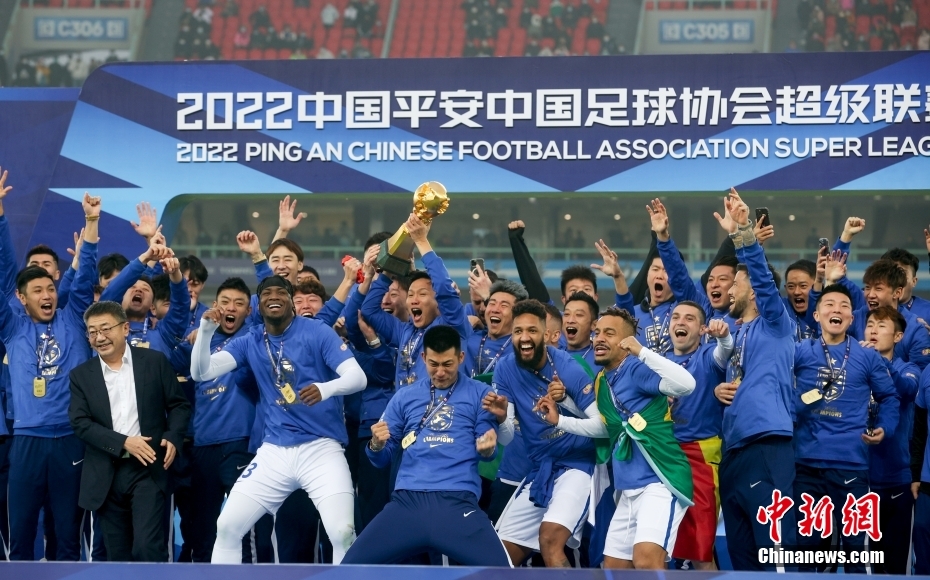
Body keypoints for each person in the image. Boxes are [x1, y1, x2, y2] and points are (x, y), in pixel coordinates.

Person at [191, 275, 367, 564]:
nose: (273, 296)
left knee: (342, 533)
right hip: (274, 451)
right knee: (227, 527)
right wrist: (206, 332)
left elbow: (357, 377)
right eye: (266, 293)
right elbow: (201, 373)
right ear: (258, 305)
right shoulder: (251, 340)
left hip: (322, 449)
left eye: (281, 292)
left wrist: (325, 389)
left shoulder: (317, 331)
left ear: (291, 303)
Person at [342, 326, 509, 566]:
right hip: (406, 501)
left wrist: (487, 448)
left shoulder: (481, 394)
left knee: (502, 571)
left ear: (461, 357)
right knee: (351, 566)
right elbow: (381, 458)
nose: (440, 372)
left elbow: (487, 446)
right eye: (433, 364)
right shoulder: (404, 396)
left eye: (448, 364)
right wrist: (376, 444)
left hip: (457, 499)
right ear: (423, 358)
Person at [550, 306, 696, 569]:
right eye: (597, 333)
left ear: (626, 342)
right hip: (627, 489)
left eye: (609, 333)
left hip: (660, 482)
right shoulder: (601, 380)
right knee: (615, 568)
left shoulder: (636, 368)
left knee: (647, 561)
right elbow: (606, 427)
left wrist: (642, 352)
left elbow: (686, 385)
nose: (599, 338)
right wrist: (562, 416)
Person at [0, 192, 101, 561]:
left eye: (51, 289)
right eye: (37, 290)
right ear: (21, 298)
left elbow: (85, 274)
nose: (47, 295)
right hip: (27, 441)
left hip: (70, 442)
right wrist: (0, 217)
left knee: (67, 539)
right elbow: (3, 271)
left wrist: (92, 222)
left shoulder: (73, 319)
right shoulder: (12, 327)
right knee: (21, 538)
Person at [712, 188, 797, 571]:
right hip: (732, 454)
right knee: (743, 561)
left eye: (736, 282)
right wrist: (718, 387)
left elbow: (762, 278)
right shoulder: (731, 333)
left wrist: (744, 235)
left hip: (767, 447)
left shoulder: (776, 324)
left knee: (776, 556)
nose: (728, 289)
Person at [68, 301, 191, 562]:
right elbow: (80, 423)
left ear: (125, 328)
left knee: (147, 548)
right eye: (92, 332)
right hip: (106, 471)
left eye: (106, 329)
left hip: (148, 468)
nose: (99, 337)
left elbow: (179, 405)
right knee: (117, 556)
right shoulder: (81, 375)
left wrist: (173, 436)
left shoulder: (154, 362)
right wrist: (124, 442)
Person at [792, 284, 899, 573]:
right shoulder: (800, 352)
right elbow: (776, 388)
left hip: (850, 463)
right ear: (816, 315)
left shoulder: (867, 356)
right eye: (829, 304)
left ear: (852, 318)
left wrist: (885, 427)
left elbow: (889, 397)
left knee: (855, 550)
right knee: (806, 550)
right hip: (806, 463)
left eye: (844, 306)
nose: (836, 309)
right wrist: (796, 405)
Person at [489, 299, 598, 568]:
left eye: (532, 330)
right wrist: (501, 418)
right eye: (518, 331)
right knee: (502, 558)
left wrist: (563, 410)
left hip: (578, 466)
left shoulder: (568, 367)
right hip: (541, 470)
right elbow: (506, 437)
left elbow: (603, 426)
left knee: (550, 540)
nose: (525, 337)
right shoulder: (505, 368)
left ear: (546, 334)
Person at [171, 277, 261, 562]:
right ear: (214, 306)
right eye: (225, 302)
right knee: (202, 531)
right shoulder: (199, 339)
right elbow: (166, 360)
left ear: (249, 311)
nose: (231, 308)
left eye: (239, 303)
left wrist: (260, 258)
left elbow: (274, 290)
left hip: (240, 444)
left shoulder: (254, 337)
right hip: (203, 445)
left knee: (242, 529)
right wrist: (197, 333)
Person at [360, 213, 470, 388]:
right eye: (410, 295)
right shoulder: (404, 331)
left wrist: (421, 241)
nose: (414, 300)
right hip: (404, 403)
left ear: (438, 302)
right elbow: (369, 310)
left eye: (422, 294)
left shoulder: (452, 324)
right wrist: (389, 269)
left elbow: (443, 286)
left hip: (439, 403)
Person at [665, 302, 733, 570]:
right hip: (661, 457)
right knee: (655, 548)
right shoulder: (658, 362)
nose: (681, 322)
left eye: (689, 318)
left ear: (703, 329)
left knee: (700, 552)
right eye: (676, 317)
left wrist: (723, 336)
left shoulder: (707, 356)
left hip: (699, 458)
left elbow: (724, 351)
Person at [865, 306, 920, 574]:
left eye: (881, 325)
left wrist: (880, 363)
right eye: (870, 325)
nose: (873, 330)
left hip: (897, 480)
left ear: (898, 337)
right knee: (865, 566)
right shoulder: (856, 371)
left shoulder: (908, 368)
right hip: (861, 481)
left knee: (897, 568)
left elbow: (907, 389)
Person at [464, 279, 527, 378]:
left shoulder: (522, 349)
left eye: (504, 305)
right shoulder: (468, 336)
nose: (495, 309)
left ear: (517, 314)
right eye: (492, 303)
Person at [882, 247, 930, 324]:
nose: (896, 279)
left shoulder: (928, 310)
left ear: (914, 281)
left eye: (902, 273)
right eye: (891, 273)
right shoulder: (869, 306)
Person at [562, 291, 599, 370]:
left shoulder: (601, 358)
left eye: (579, 315)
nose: (570, 320)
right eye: (566, 314)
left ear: (594, 325)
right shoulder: (552, 356)